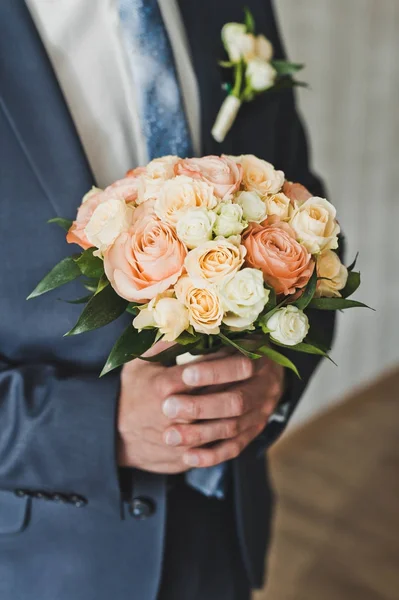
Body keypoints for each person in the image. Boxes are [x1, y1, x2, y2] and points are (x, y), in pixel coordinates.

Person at [0, 1, 335, 599]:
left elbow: (307, 215)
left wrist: (275, 380)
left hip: (222, 527)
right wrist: (101, 429)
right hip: (37, 556)